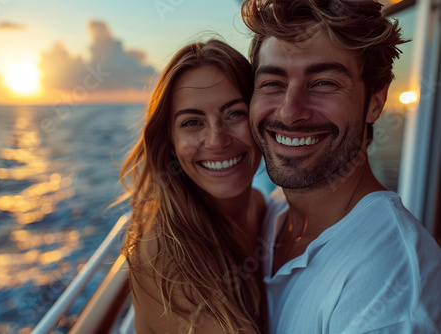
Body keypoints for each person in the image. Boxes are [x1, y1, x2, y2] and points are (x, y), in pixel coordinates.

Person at [241, 0, 441, 333]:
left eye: (323, 83)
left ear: (375, 101)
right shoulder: (274, 211)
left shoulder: (390, 286)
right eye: (272, 83)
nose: (290, 112)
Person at [117, 39, 266, 333]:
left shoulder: (260, 206)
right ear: (170, 143)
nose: (216, 140)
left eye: (235, 113)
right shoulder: (167, 258)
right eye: (192, 123)